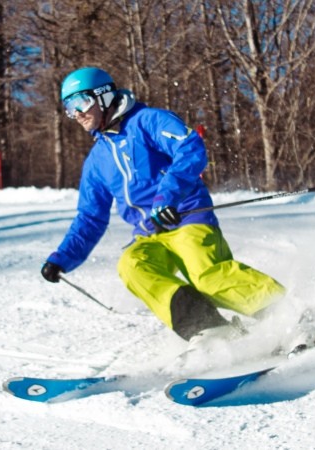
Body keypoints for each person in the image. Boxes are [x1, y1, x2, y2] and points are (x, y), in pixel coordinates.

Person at [40, 67, 285, 341]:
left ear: (104, 96)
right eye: (69, 108)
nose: (77, 114)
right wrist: (62, 258)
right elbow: (90, 217)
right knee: (132, 265)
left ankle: (287, 313)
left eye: (80, 103)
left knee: (205, 275)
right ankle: (209, 329)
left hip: (186, 218)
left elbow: (190, 147)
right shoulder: (97, 160)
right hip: (149, 234)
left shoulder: (148, 121)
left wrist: (166, 198)